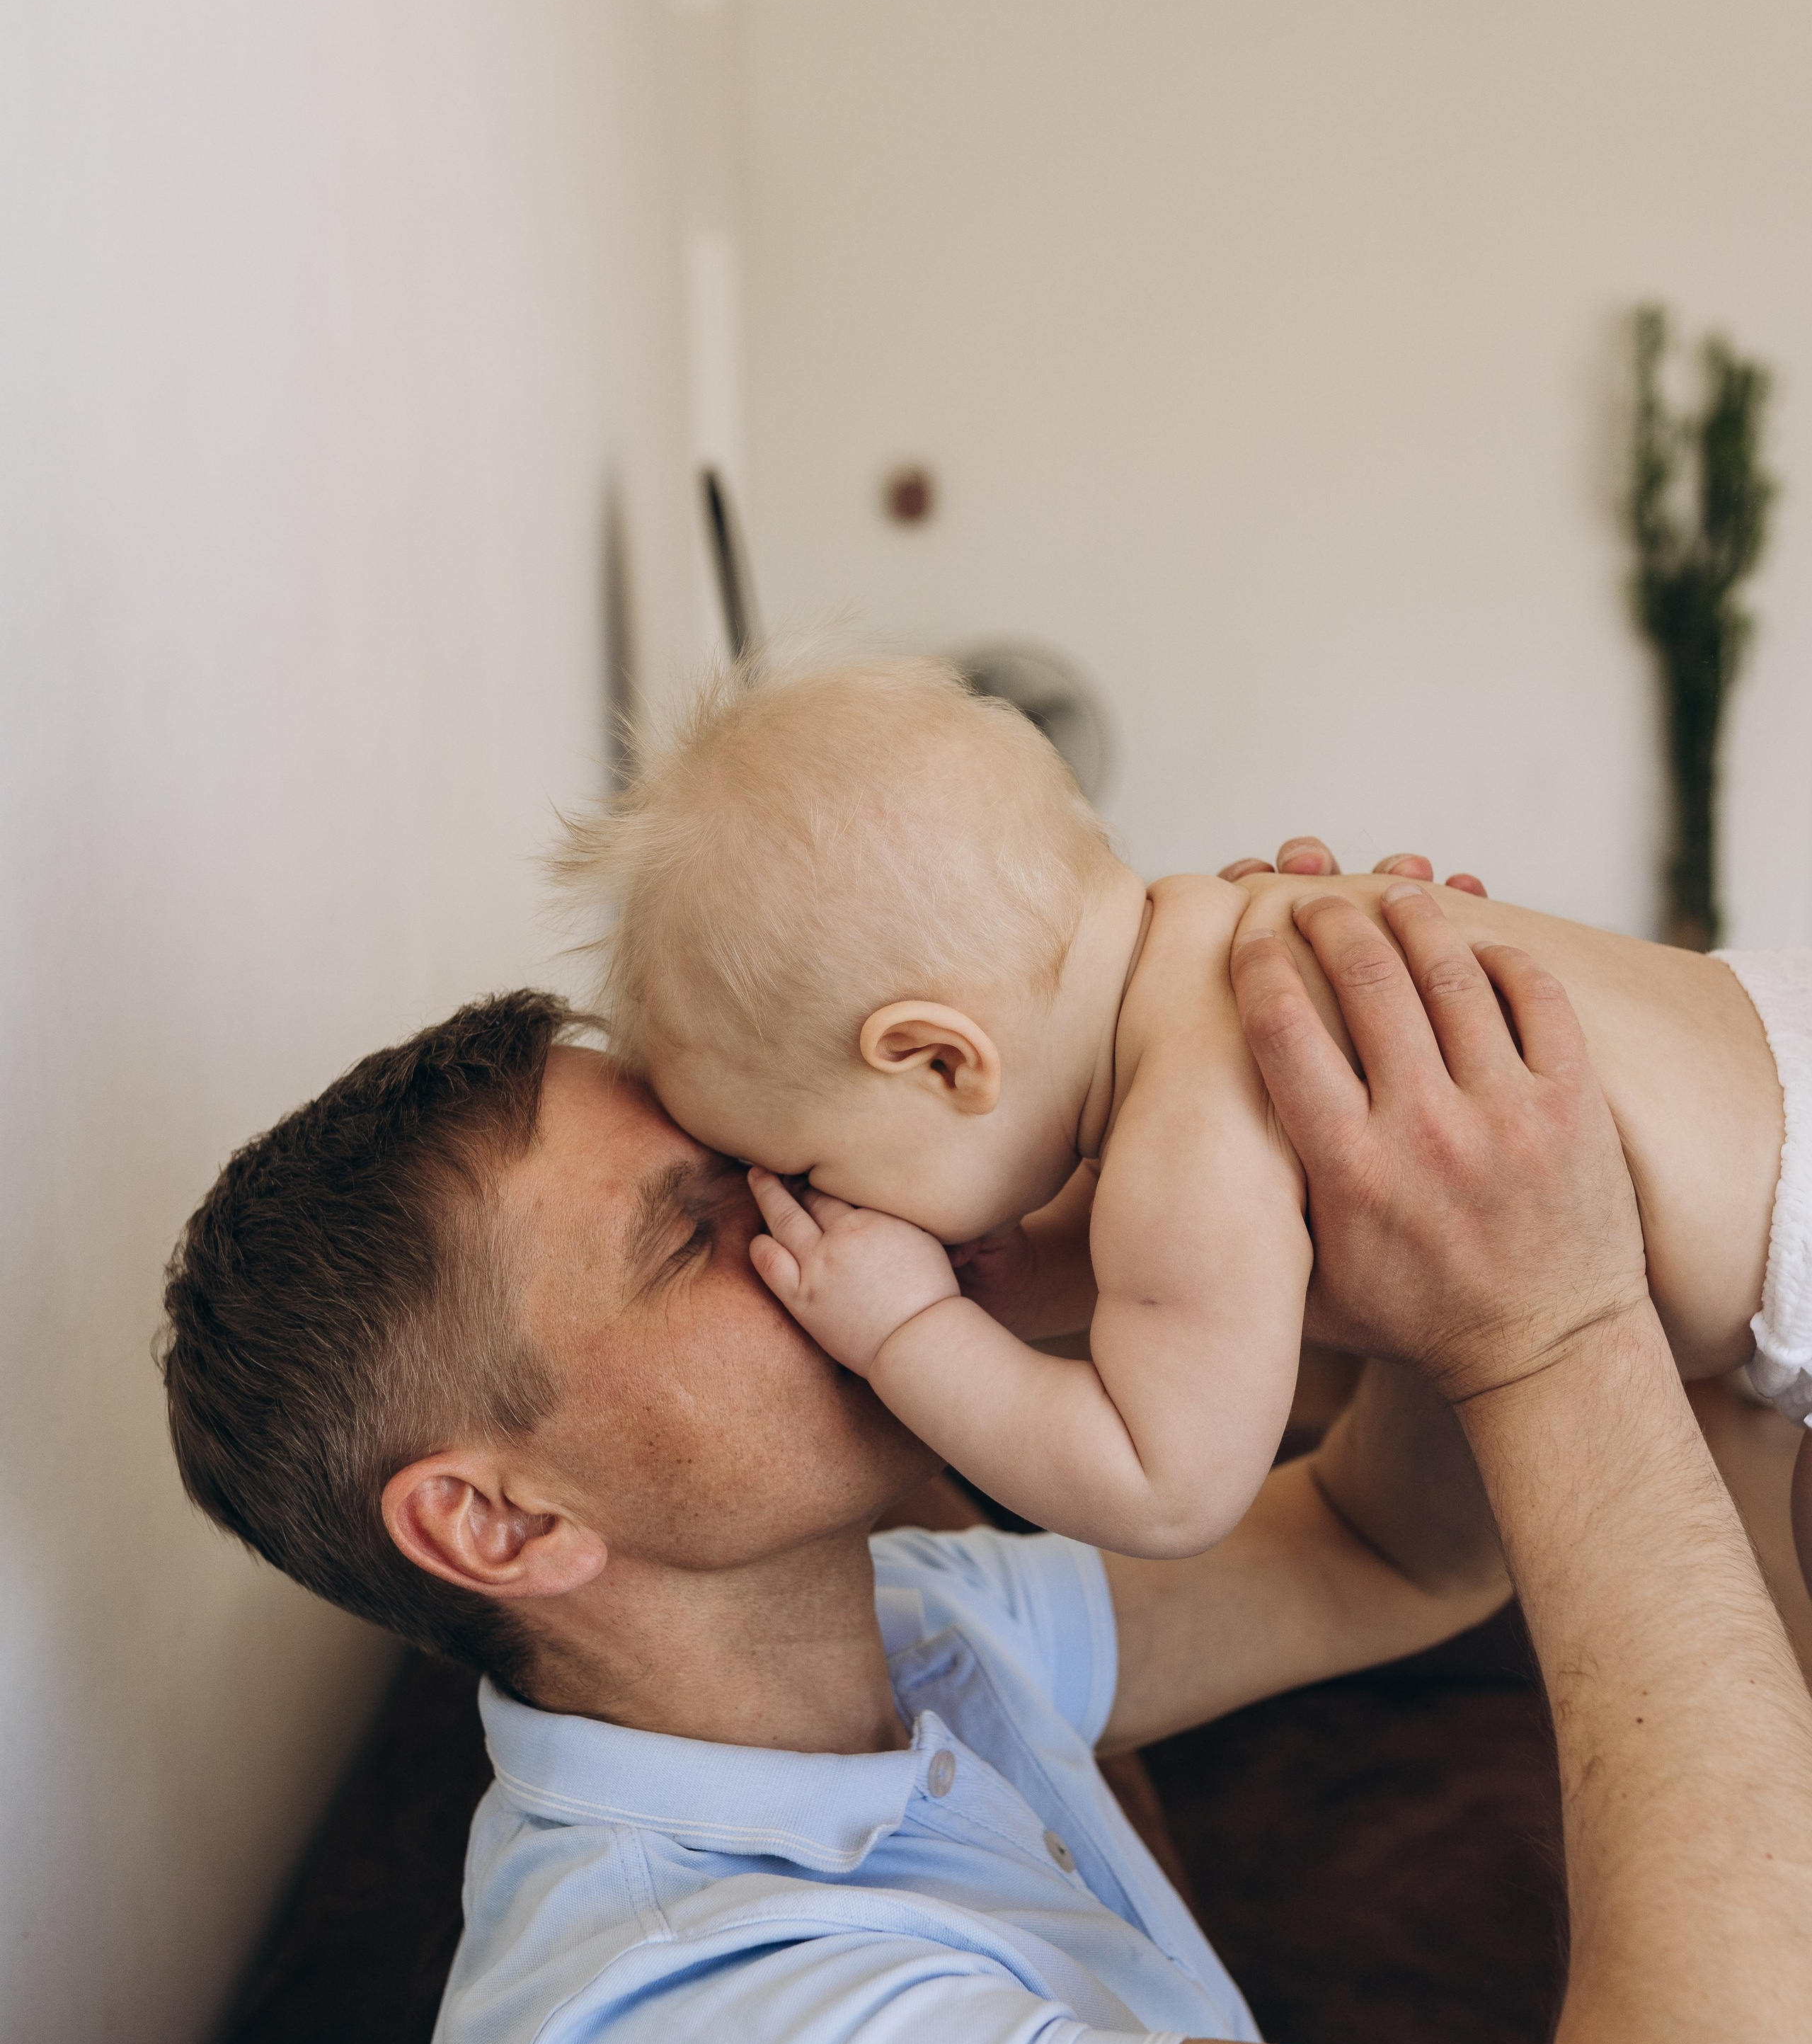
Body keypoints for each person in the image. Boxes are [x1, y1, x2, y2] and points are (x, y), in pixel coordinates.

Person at [159, 880, 1812, 2044]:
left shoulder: (914, 1624)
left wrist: (1298, 1213)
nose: (825, 1203)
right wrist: (1549, 1331)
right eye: (694, 1231)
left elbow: (1381, 1552)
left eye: (769, 1160)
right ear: (501, 1526)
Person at [556, 656, 1806, 1572]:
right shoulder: (1224, 934)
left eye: (814, 1163)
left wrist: (911, 1331)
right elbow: (1180, 1279)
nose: (829, 1205)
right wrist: (1031, 1271)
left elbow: (1165, 1484)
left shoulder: (1186, 1141)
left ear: (942, 1062)